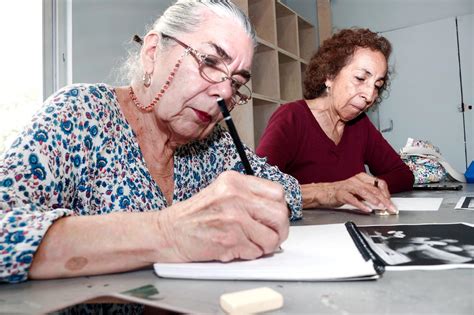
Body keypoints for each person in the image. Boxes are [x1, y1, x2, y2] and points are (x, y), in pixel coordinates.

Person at [0, 0, 302, 286]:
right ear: (153, 52)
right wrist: (168, 232)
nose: (225, 92)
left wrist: (329, 191)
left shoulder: (214, 143)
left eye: (236, 82)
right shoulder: (79, 113)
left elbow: (282, 190)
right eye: (210, 62)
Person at [256, 28, 413, 214]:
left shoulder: (360, 124)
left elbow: (402, 175)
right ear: (330, 76)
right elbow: (257, 190)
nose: (370, 95)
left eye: (377, 86)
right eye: (360, 78)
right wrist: (330, 192)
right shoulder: (291, 118)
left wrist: (370, 187)